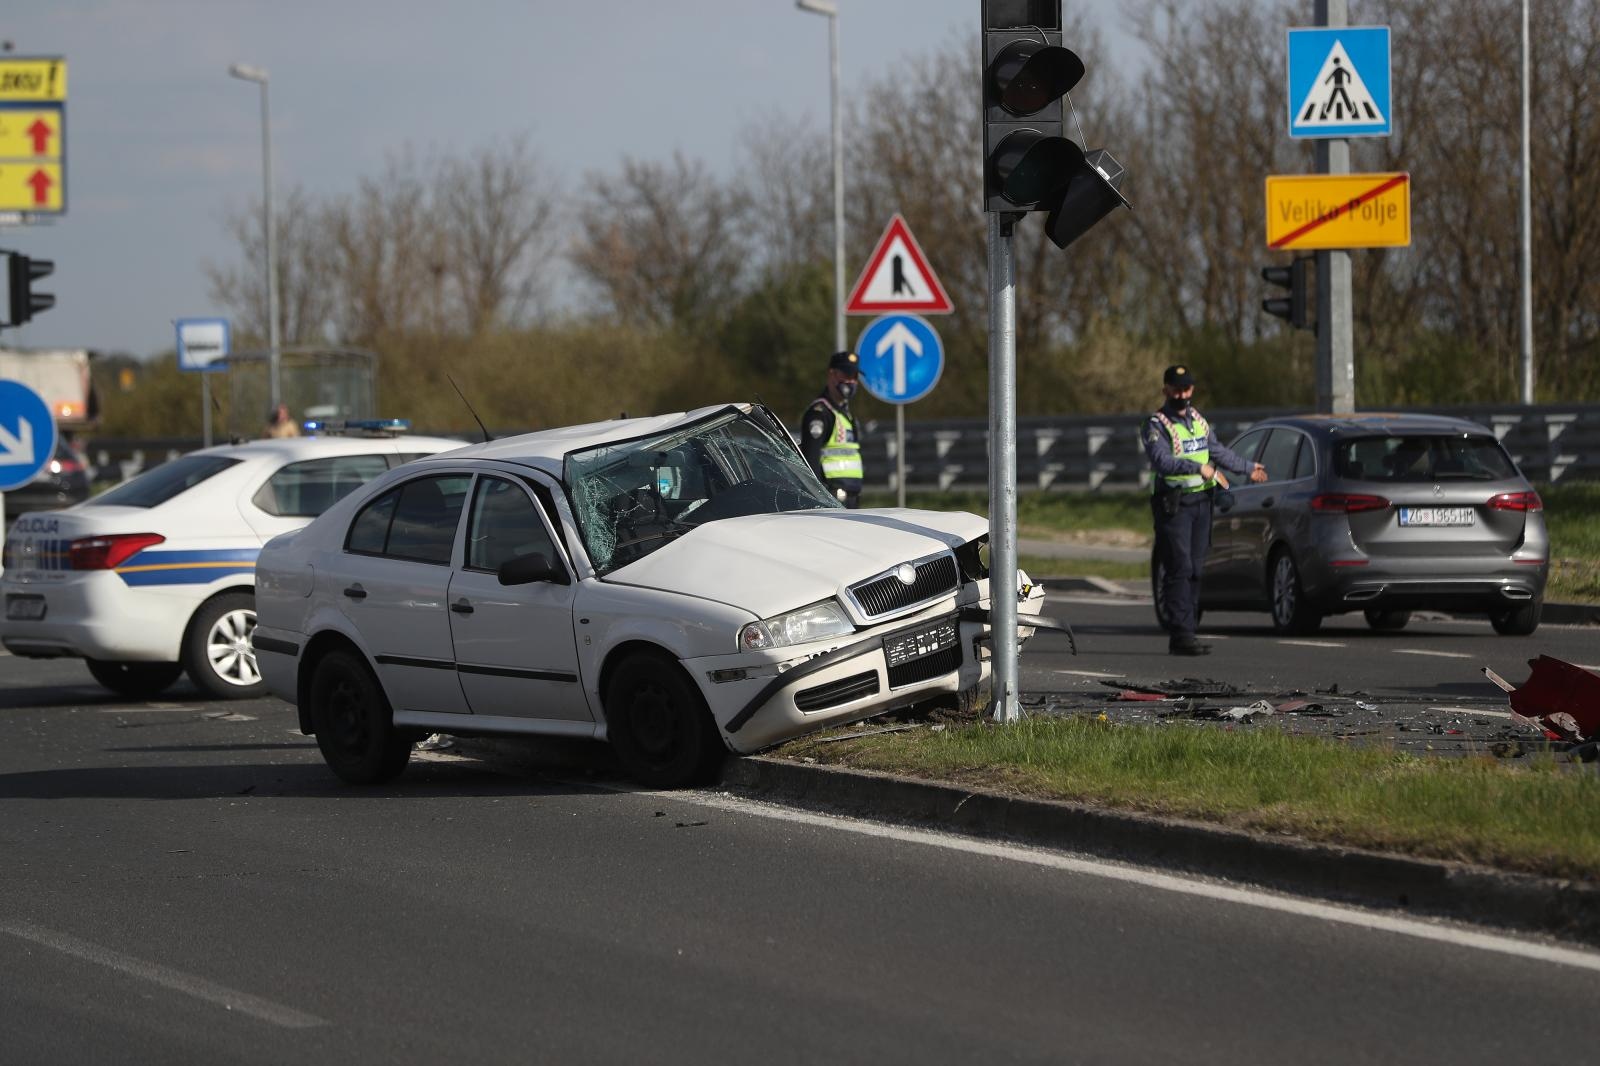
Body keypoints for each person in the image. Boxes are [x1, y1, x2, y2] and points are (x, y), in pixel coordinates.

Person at [1144, 364, 1268, 656]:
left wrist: (1247, 468)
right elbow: (1162, 461)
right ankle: (1181, 634)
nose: (1182, 394)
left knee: (1197, 570)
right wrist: (1198, 468)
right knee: (1180, 568)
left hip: (1201, 503)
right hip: (1173, 504)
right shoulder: (1156, 425)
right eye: (1176, 389)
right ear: (1165, 390)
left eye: (1186, 389)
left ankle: (1189, 631)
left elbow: (1217, 451)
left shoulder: (1198, 420)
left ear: (1192, 390)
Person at [800, 350, 865, 508]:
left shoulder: (844, 414)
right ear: (832, 374)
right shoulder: (820, 414)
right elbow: (811, 463)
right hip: (831, 501)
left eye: (854, 376)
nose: (851, 381)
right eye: (846, 375)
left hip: (850, 499)